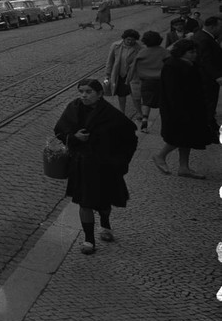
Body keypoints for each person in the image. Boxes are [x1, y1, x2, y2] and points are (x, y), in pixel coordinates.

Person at [53, 78, 138, 254]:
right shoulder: (74, 108)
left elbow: (130, 136)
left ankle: (105, 224)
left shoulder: (111, 114)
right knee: (84, 202)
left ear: (99, 94)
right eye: (81, 91)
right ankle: (89, 240)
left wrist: (120, 162)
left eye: (88, 92)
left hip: (104, 165)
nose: (84, 95)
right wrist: (74, 137)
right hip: (81, 164)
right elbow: (60, 130)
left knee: (103, 202)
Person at [152, 39, 212, 178]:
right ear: (181, 53)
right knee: (181, 135)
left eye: (195, 51)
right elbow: (173, 92)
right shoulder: (172, 66)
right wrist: (180, 111)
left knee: (188, 138)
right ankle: (160, 155)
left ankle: (184, 167)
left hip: (191, 108)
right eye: (191, 52)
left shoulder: (190, 64)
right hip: (179, 109)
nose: (195, 54)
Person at [132, 30, 170, 133]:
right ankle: (165, 125)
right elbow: (169, 66)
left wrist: (129, 80)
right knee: (163, 102)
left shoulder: (142, 52)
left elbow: (133, 67)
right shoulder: (164, 52)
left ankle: (145, 121)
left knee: (146, 102)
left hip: (146, 81)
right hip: (161, 81)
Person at [105, 29, 141, 119]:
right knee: (121, 94)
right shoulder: (115, 45)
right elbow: (110, 61)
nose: (130, 41)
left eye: (133, 40)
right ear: (124, 38)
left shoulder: (139, 48)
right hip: (119, 75)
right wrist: (108, 74)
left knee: (135, 95)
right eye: (128, 39)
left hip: (133, 75)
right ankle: (122, 113)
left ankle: (140, 113)